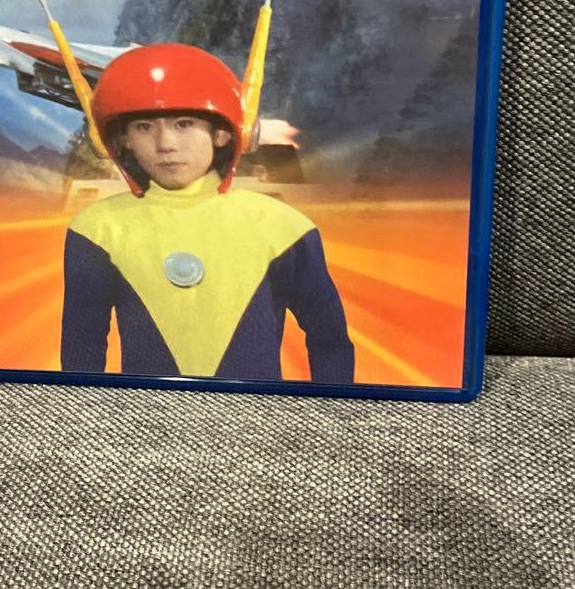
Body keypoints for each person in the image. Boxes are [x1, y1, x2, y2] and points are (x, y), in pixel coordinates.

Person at [60, 42, 354, 383]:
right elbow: (82, 347)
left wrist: (328, 412)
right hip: (144, 416)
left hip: (256, 416)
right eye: (144, 127)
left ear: (222, 133)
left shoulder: (284, 227)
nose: (166, 144)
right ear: (122, 139)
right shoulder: (96, 230)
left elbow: (330, 340)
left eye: (184, 124)